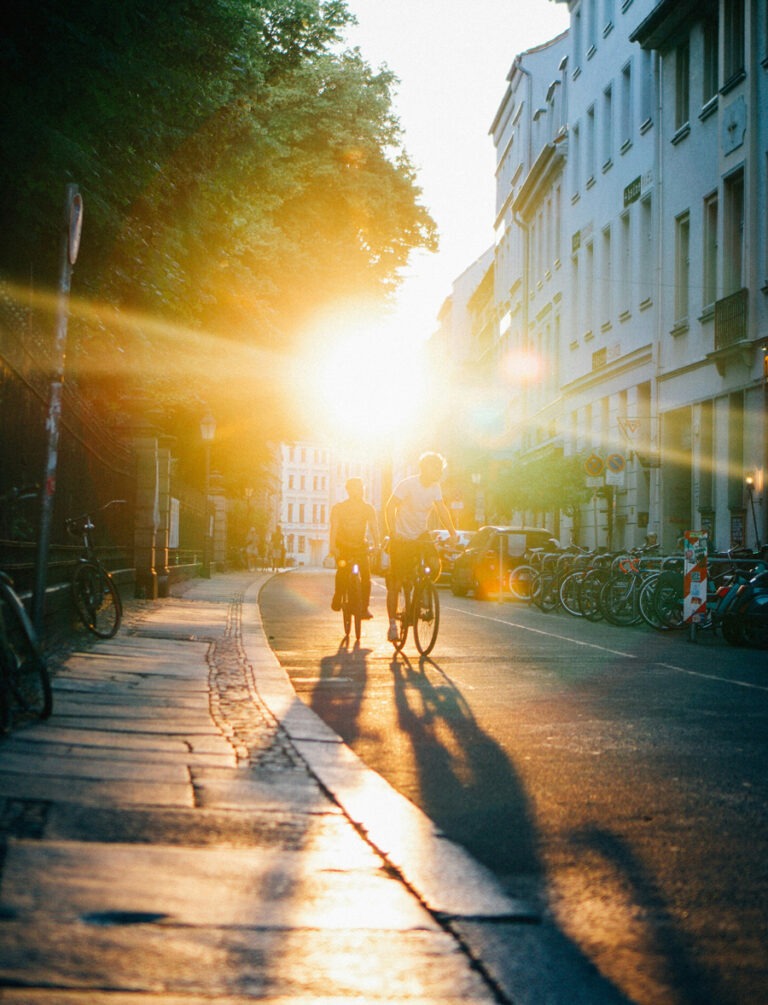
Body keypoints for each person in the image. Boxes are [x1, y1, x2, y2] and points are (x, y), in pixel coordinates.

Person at [385, 451, 458, 641]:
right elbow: (390, 507)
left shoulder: (435, 487)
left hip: (420, 534)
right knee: (396, 583)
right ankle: (392, 624)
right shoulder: (408, 484)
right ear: (425, 468)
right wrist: (393, 533)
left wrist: (452, 533)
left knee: (434, 564)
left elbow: (442, 510)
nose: (439, 473)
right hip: (401, 536)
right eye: (436, 469)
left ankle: (423, 592)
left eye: (440, 469)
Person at [329, 477, 380, 619]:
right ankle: (338, 595)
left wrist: (377, 545)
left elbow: (374, 528)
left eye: (360, 489)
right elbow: (334, 527)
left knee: (366, 577)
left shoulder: (368, 509)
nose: (358, 492)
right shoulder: (339, 508)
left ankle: (364, 607)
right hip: (343, 546)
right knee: (342, 572)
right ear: (348, 491)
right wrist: (333, 546)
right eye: (355, 489)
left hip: (360, 546)